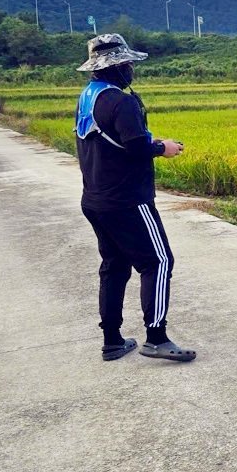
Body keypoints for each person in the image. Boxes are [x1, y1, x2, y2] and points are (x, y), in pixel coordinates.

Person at [74, 33, 196, 362]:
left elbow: (112, 139)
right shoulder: (122, 102)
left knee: (114, 266)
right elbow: (136, 146)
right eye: (126, 63)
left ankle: (112, 341)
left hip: (95, 199)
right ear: (116, 67)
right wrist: (163, 148)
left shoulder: (89, 97)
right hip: (129, 200)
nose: (130, 68)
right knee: (158, 261)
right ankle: (156, 337)